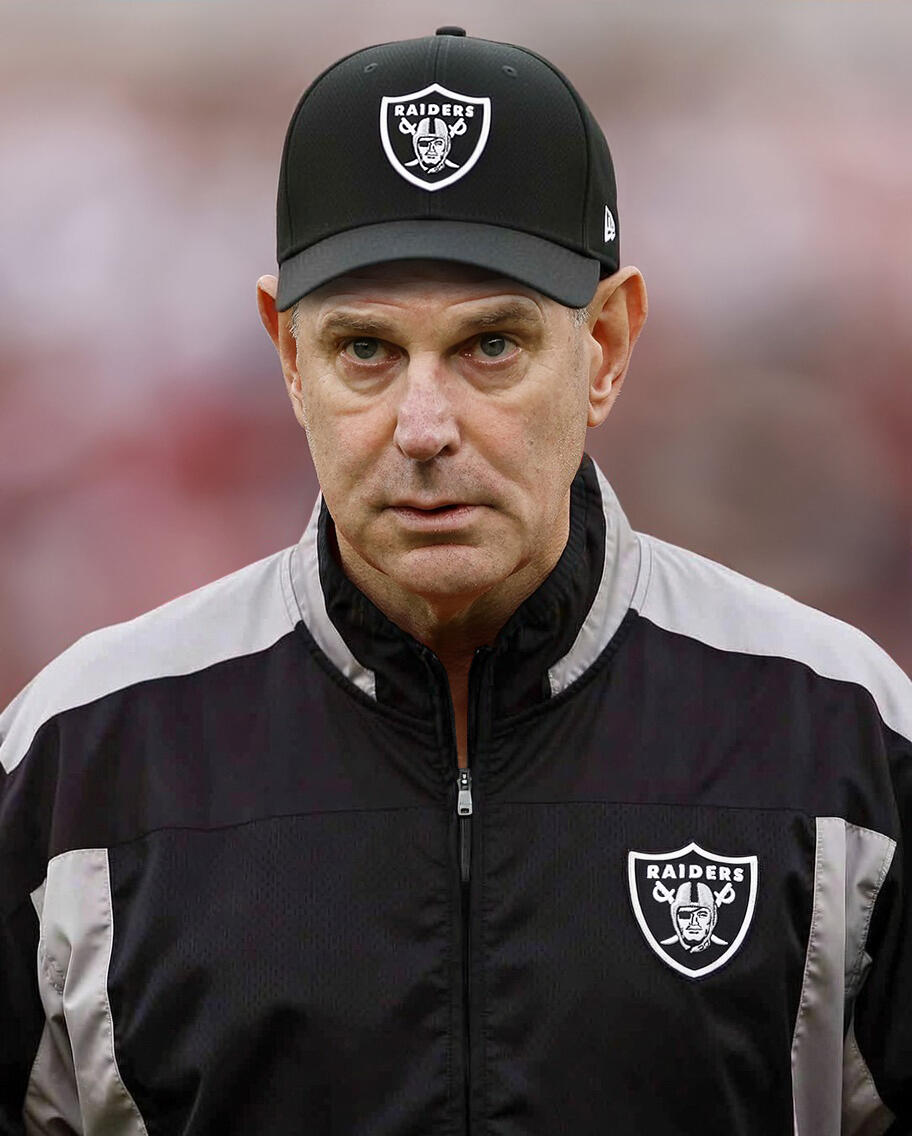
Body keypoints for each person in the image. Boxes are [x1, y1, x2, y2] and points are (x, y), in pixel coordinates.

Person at [1, 27, 909, 1136]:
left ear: (607, 346)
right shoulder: (79, 757)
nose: (423, 427)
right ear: (288, 357)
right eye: (366, 351)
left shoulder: (841, 735)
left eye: (491, 346)